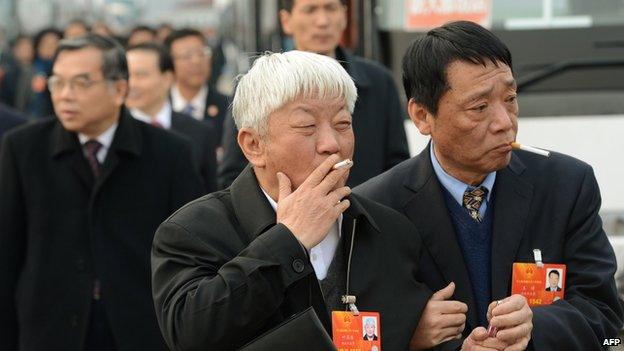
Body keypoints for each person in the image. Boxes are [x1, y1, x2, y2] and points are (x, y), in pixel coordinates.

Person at [355, 21, 623, 350]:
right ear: (423, 116)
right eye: (480, 108)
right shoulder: (377, 207)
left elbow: (605, 315)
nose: (504, 123)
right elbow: (364, 331)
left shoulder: (566, 185)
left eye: (510, 99)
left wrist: (533, 327)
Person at [151, 50, 438, 351]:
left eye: (342, 124)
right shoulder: (192, 231)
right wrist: (288, 239)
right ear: (254, 145)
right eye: (307, 127)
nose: (332, 145)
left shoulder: (388, 229)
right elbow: (190, 335)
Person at [0, 34, 203, 351]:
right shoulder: (23, 149)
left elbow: (191, 254)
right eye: (57, 82)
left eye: (81, 83)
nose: (65, 95)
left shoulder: (170, 153)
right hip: (49, 328)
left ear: (119, 89)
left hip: (141, 328)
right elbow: (7, 254)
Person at [218, 0, 410, 189]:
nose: (322, 21)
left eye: (331, 8)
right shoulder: (258, 86)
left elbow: (398, 167)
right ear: (286, 21)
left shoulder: (379, 81)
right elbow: (234, 175)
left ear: (344, 16)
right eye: (310, 10)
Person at [126, 42, 217, 192]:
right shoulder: (114, 132)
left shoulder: (200, 132)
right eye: (126, 75)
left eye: (140, 75)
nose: (131, 84)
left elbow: (211, 194)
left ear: (167, 78)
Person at [165, 28, 228, 150]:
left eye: (202, 53)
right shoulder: (160, 107)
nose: (196, 61)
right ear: (170, 63)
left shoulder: (229, 107)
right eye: (187, 56)